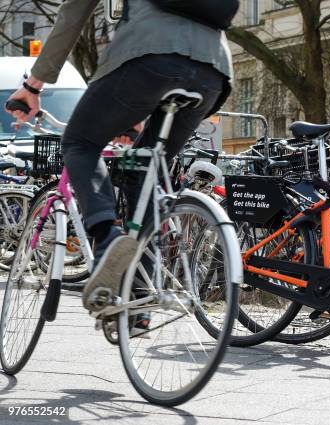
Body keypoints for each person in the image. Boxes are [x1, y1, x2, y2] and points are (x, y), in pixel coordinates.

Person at [5, 0, 233, 312]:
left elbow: (74, 11)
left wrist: (33, 84)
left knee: (80, 142)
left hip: (149, 57)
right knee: (144, 168)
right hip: (214, 72)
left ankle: (106, 236)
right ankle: (140, 298)